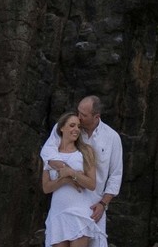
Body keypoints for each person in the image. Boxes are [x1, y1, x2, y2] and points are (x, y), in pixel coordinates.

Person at [39, 95, 123, 236]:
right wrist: (65, 171)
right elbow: (47, 152)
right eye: (78, 112)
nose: (78, 117)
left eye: (83, 115)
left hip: (94, 205)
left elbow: (116, 175)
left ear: (96, 117)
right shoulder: (68, 128)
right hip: (66, 200)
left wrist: (103, 204)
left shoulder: (112, 137)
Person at [40, 111, 101, 247]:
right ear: (61, 128)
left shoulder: (85, 151)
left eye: (78, 126)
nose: (76, 129)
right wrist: (65, 180)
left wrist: (71, 172)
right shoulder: (50, 153)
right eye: (72, 125)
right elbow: (46, 187)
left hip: (79, 212)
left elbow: (91, 184)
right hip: (58, 213)